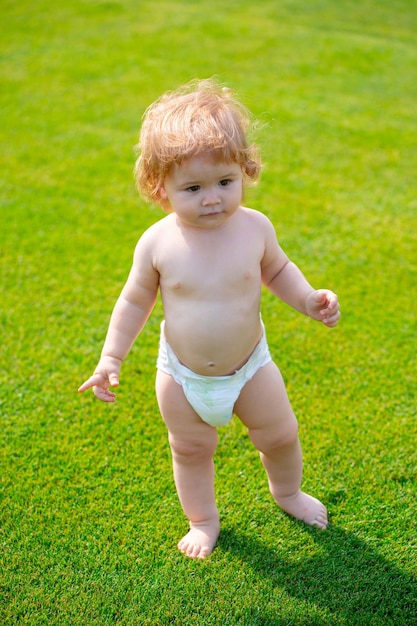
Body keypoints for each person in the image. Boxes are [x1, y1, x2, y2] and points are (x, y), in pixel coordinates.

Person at [78, 79, 341, 560]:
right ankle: (202, 520)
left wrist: (308, 300)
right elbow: (135, 300)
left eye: (225, 182)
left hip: (251, 368)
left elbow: (277, 270)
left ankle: (287, 493)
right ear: (162, 190)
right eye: (193, 188)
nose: (213, 198)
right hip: (182, 377)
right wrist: (111, 356)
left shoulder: (254, 228)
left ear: (245, 170)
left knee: (280, 435)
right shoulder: (158, 243)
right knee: (191, 450)